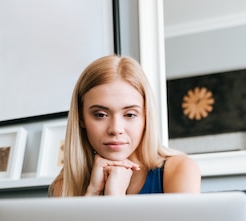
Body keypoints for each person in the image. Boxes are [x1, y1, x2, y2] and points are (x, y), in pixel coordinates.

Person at [49, 55, 200, 197]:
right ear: (81, 118)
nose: (115, 129)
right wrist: (93, 193)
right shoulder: (66, 184)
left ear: (146, 117)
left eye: (129, 115)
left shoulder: (179, 170)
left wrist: (115, 198)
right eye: (100, 115)